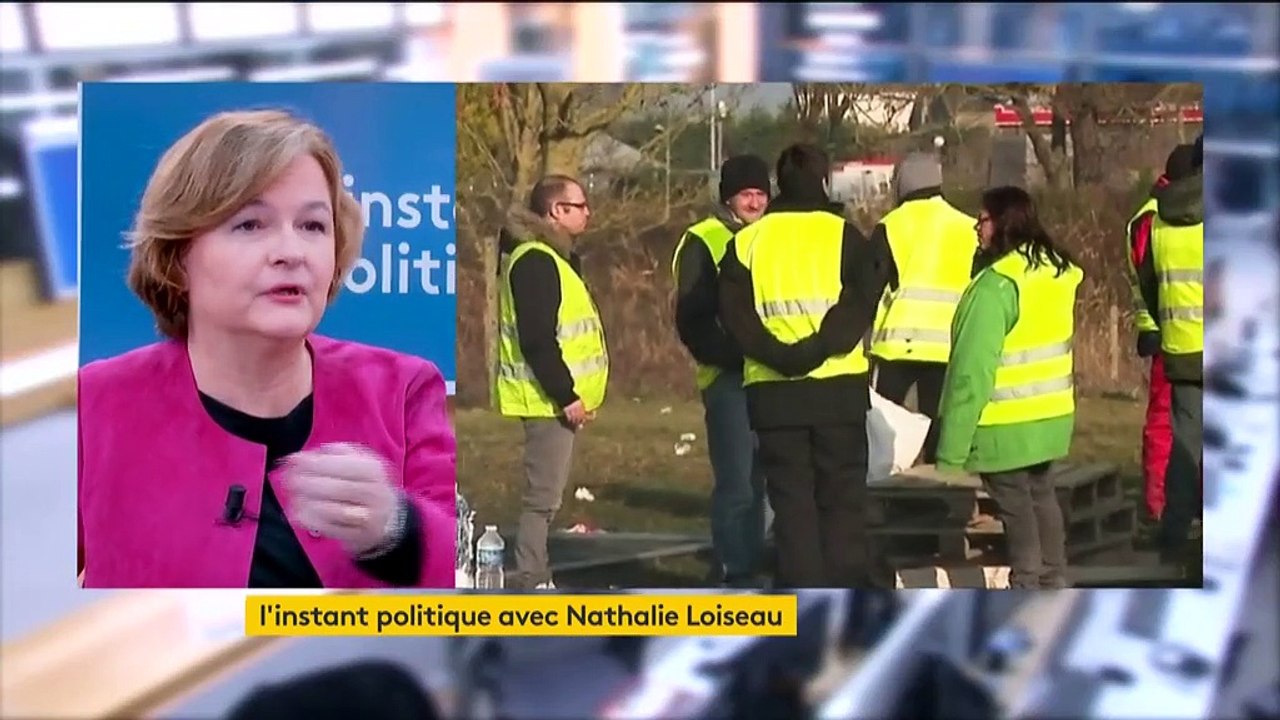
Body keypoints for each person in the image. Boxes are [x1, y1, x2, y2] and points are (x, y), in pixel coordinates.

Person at [76, 109, 456, 589]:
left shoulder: (402, 388)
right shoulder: (95, 404)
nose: (291, 252)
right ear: (177, 257)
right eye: (251, 225)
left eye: (313, 227)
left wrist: (397, 529)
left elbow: (476, 578)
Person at [718, 143, 895, 589]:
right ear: (822, 181)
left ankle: (800, 601)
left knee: (792, 505)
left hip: (774, 395)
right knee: (842, 502)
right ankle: (846, 601)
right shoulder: (844, 235)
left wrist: (781, 356)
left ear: (778, 183)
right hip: (837, 392)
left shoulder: (747, 241)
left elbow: (735, 317)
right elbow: (860, 302)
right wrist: (818, 348)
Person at [935, 186, 1084, 590]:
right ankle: (1054, 579)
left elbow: (972, 373)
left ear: (1000, 223)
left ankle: (1027, 584)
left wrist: (950, 450)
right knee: (1041, 495)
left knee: (1016, 507)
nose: (977, 229)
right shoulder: (1052, 273)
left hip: (1006, 425)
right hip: (1050, 416)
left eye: (981, 220)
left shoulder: (995, 287)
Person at [494, 175, 608, 590]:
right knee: (541, 499)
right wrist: (566, 395)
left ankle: (535, 577)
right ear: (557, 212)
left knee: (547, 497)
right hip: (548, 402)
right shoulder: (536, 261)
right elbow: (538, 339)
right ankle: (532, 581)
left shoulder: (551, 259)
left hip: (555, 401)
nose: (587, 213)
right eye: (579, 206)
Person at [671, 154, 771, 588]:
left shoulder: (772, 236)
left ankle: (753, 559)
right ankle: (734, 568)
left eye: (761, 194)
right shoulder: (704, 239)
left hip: (770, 375)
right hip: (728, 377)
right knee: (737, 483)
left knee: (762, 480)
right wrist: (732, 355)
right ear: (729, 196)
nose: (754, 202)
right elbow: (692, 317)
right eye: (746, 194)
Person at [868, 152, 977, 463]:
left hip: (896, 345)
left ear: (901, 184)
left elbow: (870, 285)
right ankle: (942, 488)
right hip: (948, 345)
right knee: (941, 427)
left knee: (882, 425)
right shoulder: (967, 227)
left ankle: (886, 486)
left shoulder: (890, 225)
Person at [1138, 134, 1204, 571]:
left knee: (1185, 448)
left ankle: (1176, 534)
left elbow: (1148, 287)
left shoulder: (1158, 221)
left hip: (1182, 350)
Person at [1126, 143, 1196, 521]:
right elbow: (1150, 279)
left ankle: (1171, 505)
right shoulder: (1160, 217)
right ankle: (1159, 505)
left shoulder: (1154, 214)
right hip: (1170, 334)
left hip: (1170, 331)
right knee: (1167, 426)